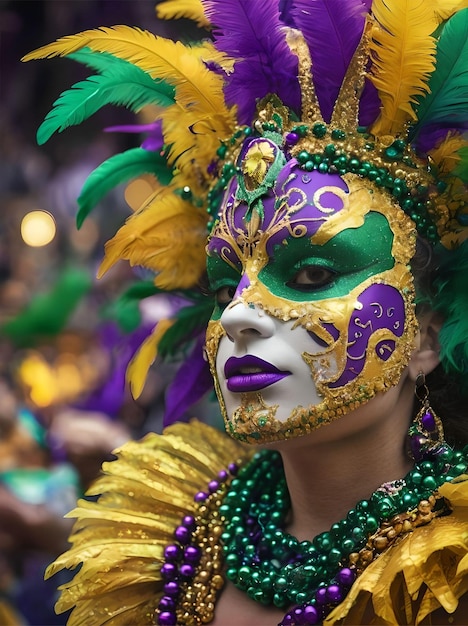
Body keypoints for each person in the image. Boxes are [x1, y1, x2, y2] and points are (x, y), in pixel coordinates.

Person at [22, 0, 468, 624]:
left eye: (312, 273)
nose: (238, 316)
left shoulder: (452, 572)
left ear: (425, 335)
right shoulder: (162, 545)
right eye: (227, 282)